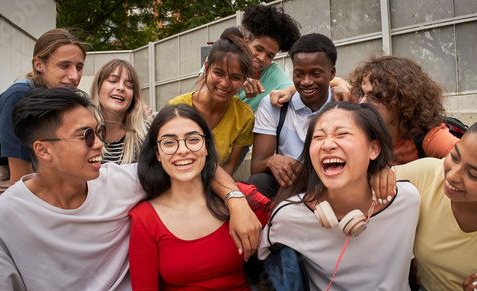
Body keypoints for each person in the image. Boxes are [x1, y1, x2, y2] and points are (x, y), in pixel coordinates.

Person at [0, 87, 263, 291]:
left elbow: (192, 162)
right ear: (44, 151)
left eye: (98, 132)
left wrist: (235, 199)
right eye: (85, 136)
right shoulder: (1, 216)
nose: (100, 144)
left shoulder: (120, 182)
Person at [259, 101, 421, 291]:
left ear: (373, 149)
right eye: (318, 137)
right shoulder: (290, 214)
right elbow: (259, 254)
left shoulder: (406, 200)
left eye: (342, 134)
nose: (328, 144)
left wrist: (385, 170)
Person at [129, 104, 271, 291]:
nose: (182, 150)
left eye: (192, 139)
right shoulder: (144, 217)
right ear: (156, 153)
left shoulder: (236, 202)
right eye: (169, 142)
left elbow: (291, 219)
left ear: (206, 147)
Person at [372, 123, 477, 291]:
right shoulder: (429, 174)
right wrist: (379, 173)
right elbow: (361, 183)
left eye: (473, 174)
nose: (453, 175)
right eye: (454, 157)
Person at [0, 28, 86, 210]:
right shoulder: (20, 97)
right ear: (39, 64)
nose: (74, 76)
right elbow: (18, 181)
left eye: (79, 67)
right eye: (64, 66)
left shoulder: (61, 99)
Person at [248, 33, 337, 198]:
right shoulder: (274, 105)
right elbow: (256, 166)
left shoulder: (344, 105)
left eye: (316, 74)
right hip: (290, 184)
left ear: (332, 74)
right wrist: (271, 161)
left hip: (335, 180)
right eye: (299, 74)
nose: (306, 81)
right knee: (257, 183)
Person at [348, 55, 459, 165]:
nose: (362, 103)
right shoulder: (364, 127)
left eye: (375, 97)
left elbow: (470, 160)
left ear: (401, 101)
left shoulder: (429, 138)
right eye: (362, 93)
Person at [169, 35, 254, 175]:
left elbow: (228, 169)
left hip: (214, 187)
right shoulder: (176, 107)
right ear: (207, 68)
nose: (224, 83)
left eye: (235, 78)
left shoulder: (244, 117)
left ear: (244, 79)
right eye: (218, 73)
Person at [90, 59, 152, 164]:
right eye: (112, 81)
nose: (121, 88)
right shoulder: (81, 130)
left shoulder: (146, 132)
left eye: (129, 86)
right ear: (98, 86)